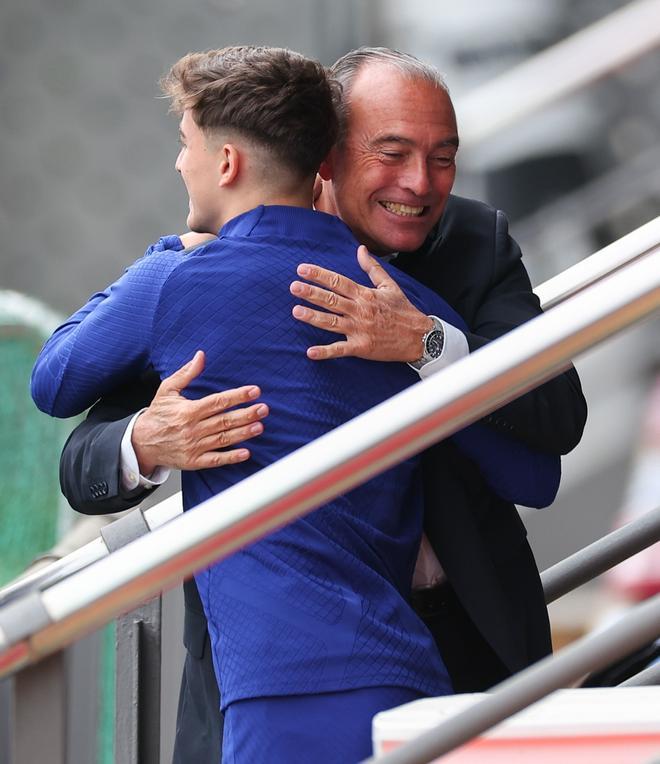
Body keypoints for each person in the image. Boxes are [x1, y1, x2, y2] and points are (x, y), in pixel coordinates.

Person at [54, 47, 586, 762]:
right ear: (323, 155)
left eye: (442, 157)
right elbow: (82, 448)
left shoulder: (473, 245)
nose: (419, 184)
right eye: (392, 153)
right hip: (268, 672)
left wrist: (426, 345)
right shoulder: (211, 265)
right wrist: (146, 443)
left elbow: (554, 424)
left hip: (464, 647)